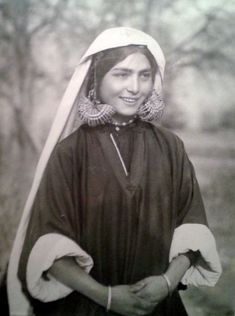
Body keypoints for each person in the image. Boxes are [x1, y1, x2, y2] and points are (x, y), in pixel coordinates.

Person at [7, 27, 222, 316]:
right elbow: (48, 241)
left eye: (144, 75)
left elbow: (192, 225)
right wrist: (107, 296)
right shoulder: (70, 153)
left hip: (158, 305)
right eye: (121, 74)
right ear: (96, 80)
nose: (134, 87)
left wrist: (167, 281)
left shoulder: (170, 147)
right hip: (87, 305)